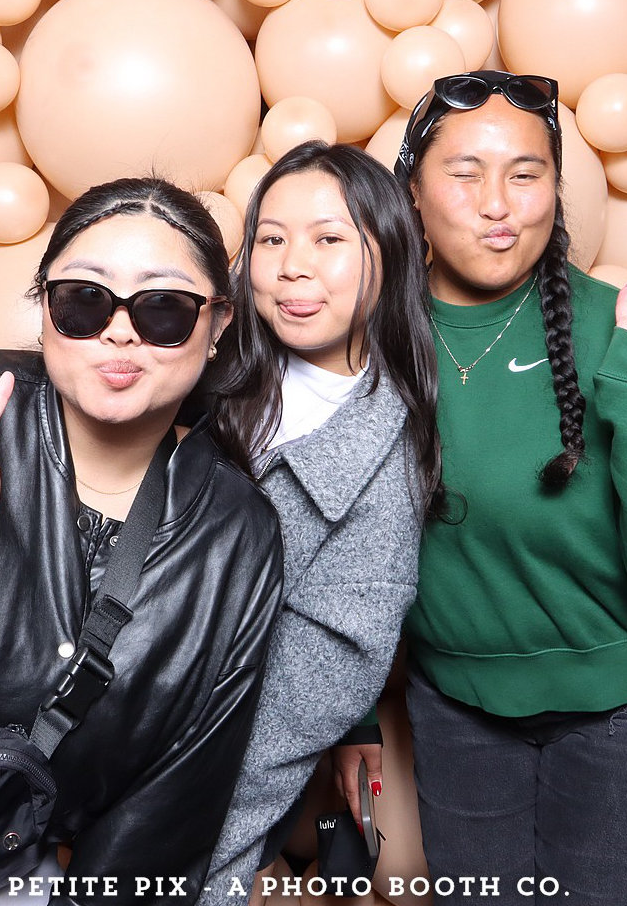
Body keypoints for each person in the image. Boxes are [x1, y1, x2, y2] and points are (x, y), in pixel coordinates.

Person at [338, 70, 627, 906]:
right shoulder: (365, 343)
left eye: (526, 174)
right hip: (458, 706)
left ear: (555, 193)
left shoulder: (626, 331)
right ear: (411, 194)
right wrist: (352, 714)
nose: (499, 205)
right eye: (465, 173)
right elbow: (330, 554)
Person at [0, 178, 284, 906]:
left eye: (164, 308)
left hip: (15, 881)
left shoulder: (237, 536)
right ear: (44, 309)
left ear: (217, 324)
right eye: (84, 300)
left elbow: (170, 808)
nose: (120, 333)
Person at [205, 141, 444, 899]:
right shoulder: (194, 366)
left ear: (390, 254)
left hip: (205, 785)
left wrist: (353, 718)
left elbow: (322, 664)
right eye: (271, 238)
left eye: (329, 238)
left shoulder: (389, 452)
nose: (292, 267)